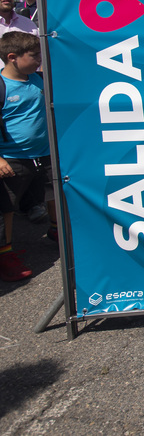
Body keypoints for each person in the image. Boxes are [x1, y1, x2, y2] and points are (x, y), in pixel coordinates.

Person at [0, 32, 56, 282]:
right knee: (6, 208)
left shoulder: (40, 79)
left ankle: (58, 232)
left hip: (45, 154)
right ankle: (5, 253)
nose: (39, 60)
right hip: (11, 159)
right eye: (34, 56)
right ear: (12, 58)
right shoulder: (2, 87)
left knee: (54, 194)